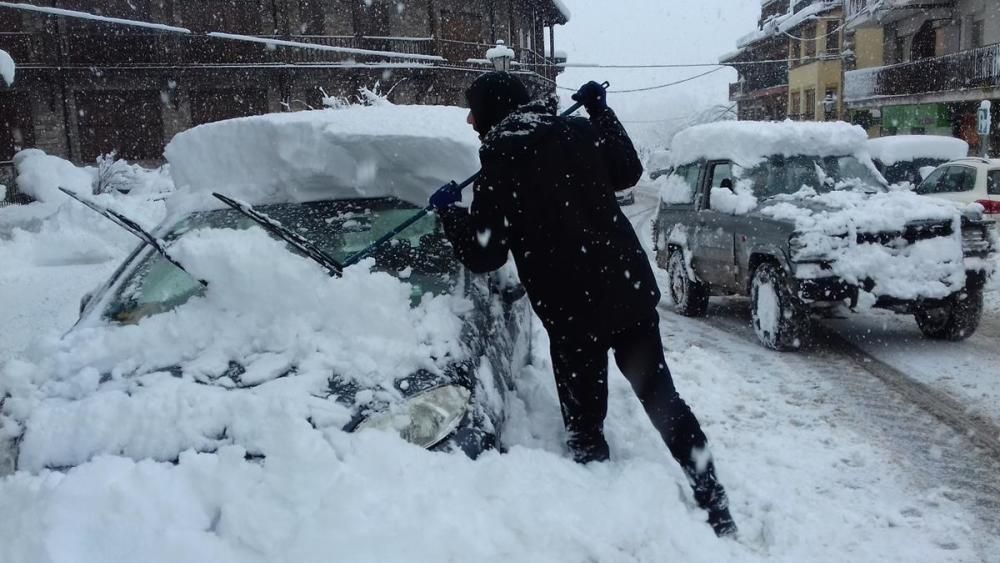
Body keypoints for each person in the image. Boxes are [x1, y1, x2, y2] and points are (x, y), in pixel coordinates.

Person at [429, 72, 737, 538]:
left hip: (572, 315)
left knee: (586, 428)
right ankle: (715, 503)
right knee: (663, 400)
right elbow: (627, 170)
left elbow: (485, 253)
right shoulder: (576, 131)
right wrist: (600, 111)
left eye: (473, 109)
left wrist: (452, 213)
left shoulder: (500, 162)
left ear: (493, 110)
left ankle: (609, 524)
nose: (470, 119)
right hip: (626, 295)